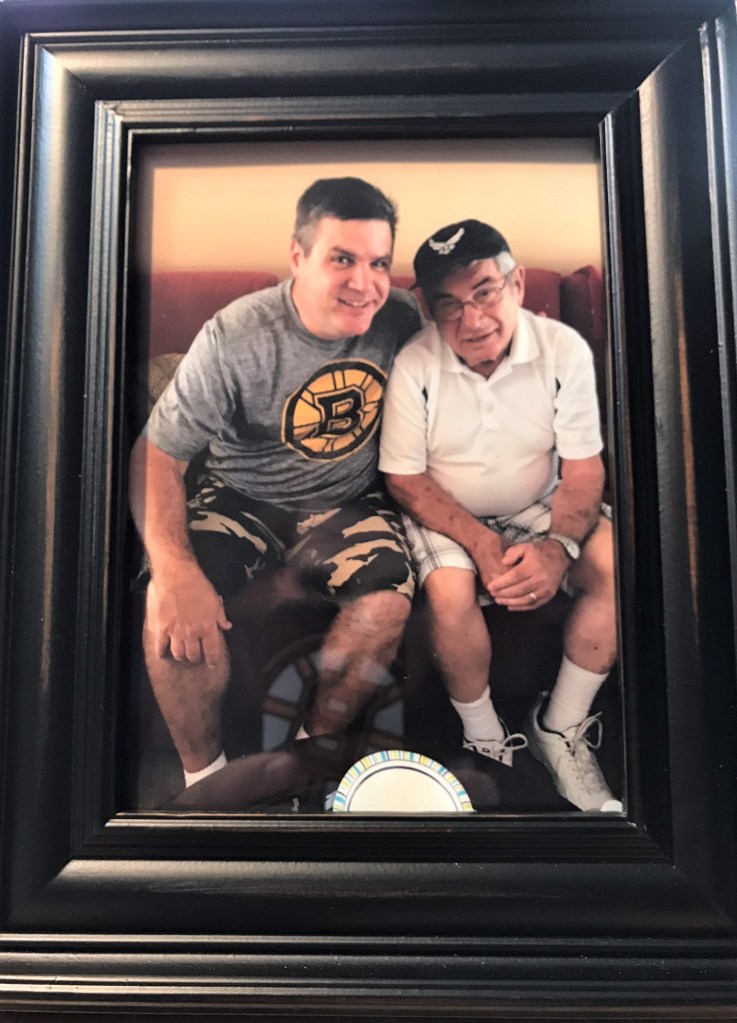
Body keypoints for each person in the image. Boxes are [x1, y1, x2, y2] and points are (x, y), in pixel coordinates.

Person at [129, 177, 423, 790]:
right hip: (242, 495)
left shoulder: (401, 318)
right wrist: (174, 570)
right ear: (298, 255)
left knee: (388, 601)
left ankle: (304, 762)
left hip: (347, 499)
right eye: (342, 259)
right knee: (171, 612)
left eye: (378, 263)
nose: (364, 282)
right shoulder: (235, 335)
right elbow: (158, 452)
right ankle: (205, 781)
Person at [379, 219, 621, 812]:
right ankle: (485, 739)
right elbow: (405, 479)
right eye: (450, 304)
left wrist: (559, 547)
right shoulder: (413, 364)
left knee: (616, 564)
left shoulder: (564, 350)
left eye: (485, 292)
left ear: (516, 284)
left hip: (541, 501)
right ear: (427, 308)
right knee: (449, 589)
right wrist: (481, 543)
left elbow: (583, 470)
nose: (473, 320)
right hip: (446, 508)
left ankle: (559, 729)